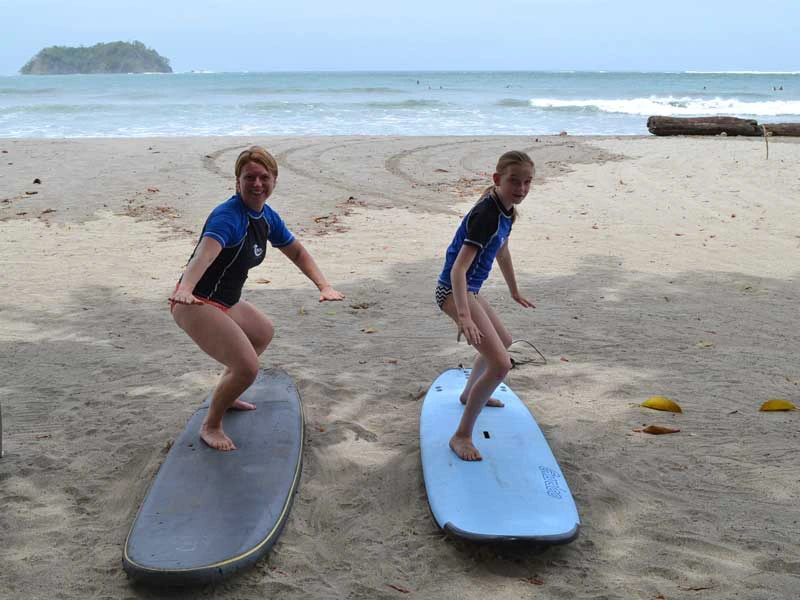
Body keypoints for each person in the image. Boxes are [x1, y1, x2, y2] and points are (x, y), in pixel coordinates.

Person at [169, 146, 344, 451]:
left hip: (225, 302)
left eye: (264, 177)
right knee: (248, 368)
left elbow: (297, 252)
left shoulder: (266, 216)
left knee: (262, 333)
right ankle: (211, 425)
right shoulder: (228, 217)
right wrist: (185, 289)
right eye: (249, 177)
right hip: (196, 302)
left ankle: (227, 392)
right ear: (237, 181)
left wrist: (324, 285)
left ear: (275, 179)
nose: (257, 183)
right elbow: (203, 256)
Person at [435, 150, 536, 461]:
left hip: (470, 290)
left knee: (504, 342)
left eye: (527, 182)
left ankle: (470, 394)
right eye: (514, 181)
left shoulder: (507, 211)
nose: (521, 188)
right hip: (454, 290)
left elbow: (502, 252)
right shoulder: (487, 215)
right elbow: (458, 270)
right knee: (501, 364)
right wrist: (463, 317)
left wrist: (514, 290)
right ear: (497, 180)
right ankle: (461, 436)